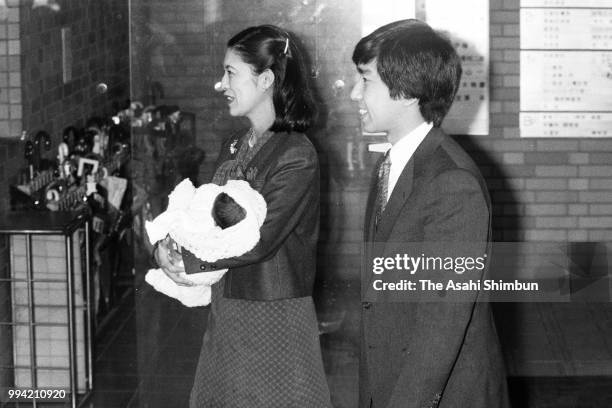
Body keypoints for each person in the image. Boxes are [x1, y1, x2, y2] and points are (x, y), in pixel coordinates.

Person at [154, 24, 332, 407]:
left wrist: (186, 261)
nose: (221, 84)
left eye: (230, 72)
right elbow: (204, 219)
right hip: (229, 310)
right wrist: (166, 247)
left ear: (266, 79)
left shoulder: (296, 155)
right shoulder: (234, 145)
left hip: (274, 316)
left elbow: (259, 239)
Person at [351, 20, 509, 407]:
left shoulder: (452, 183)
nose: (355, 93)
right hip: (390, 373)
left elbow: (441, 324)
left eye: (366, 80)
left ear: (405, 91)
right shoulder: (392, 163)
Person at [145, 179, 266, 307]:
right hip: (192, 267)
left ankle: (163, 280)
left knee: (190, 291)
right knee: (191, 293)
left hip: (242, 288)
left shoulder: (220, 215)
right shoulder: (224, 227)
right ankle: (163, 280)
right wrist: (161, 249)